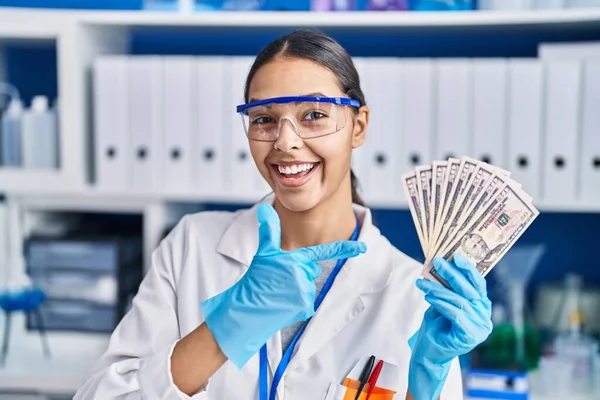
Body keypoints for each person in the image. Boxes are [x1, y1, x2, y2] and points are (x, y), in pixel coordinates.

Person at [74, 29, 492, 400]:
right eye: (265, 120)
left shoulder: (412, 294)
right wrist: (224, 329)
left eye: (314, 116)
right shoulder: (192, 247)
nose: (286, 142)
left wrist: (425, 384)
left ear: (359, 126)